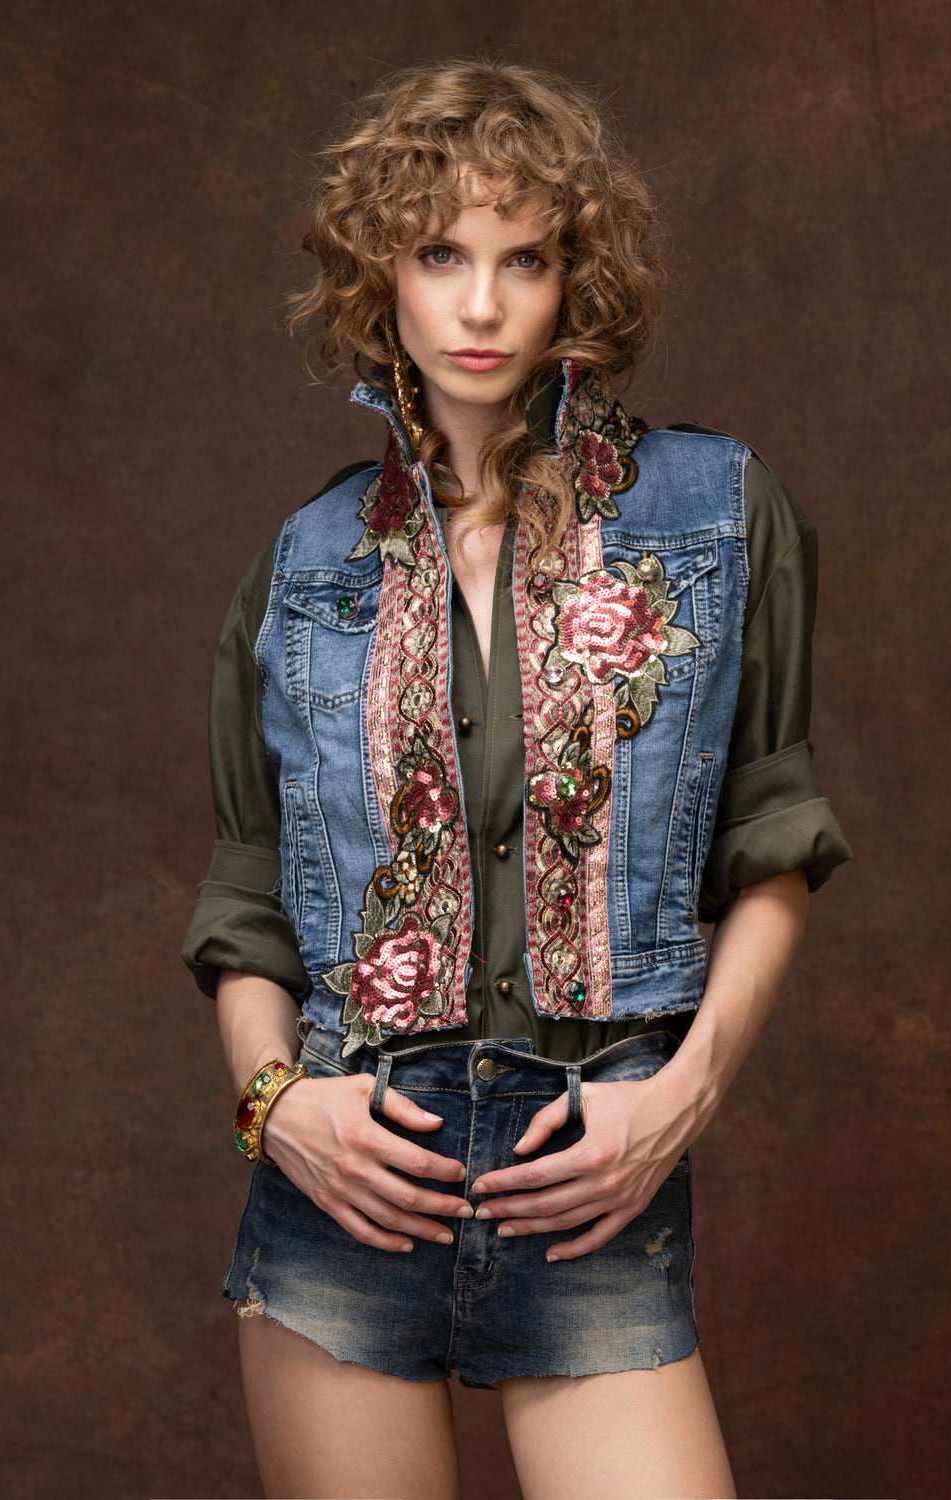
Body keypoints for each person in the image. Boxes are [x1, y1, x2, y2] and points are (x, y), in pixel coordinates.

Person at [183, 58, 850, 1500]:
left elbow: (773, 840)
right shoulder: (304, 567)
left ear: (576, 281)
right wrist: (276, 1104)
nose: (479, 305)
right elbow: (246, 904)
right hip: (351, 1181)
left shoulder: (717, 515)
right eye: (440, 255)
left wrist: (685, 1095)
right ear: (382, 277)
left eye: (525, 258)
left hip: (592, 1167)